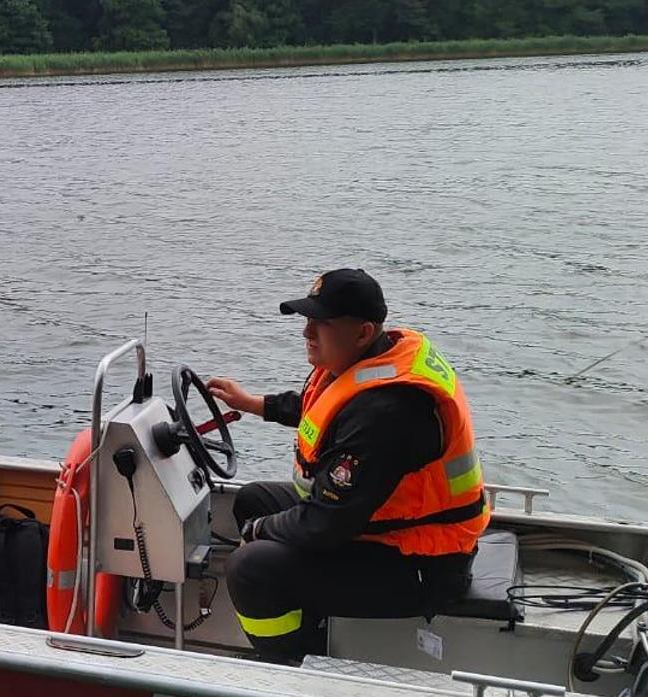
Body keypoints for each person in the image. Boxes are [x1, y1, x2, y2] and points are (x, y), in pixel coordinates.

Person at [207, 268, 487, 664]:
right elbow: (324, 409)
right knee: (254, 500)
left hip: (422, 566)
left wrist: (257, 532)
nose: (307, 333)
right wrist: (255, 404)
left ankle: (291, 664)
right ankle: (314, 623)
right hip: (381, 526)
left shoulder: (387, 410)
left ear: (362, 331)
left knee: (250, 567)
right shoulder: (373, 357)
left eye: (320, 324)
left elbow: (324, 522)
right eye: (307, 321)